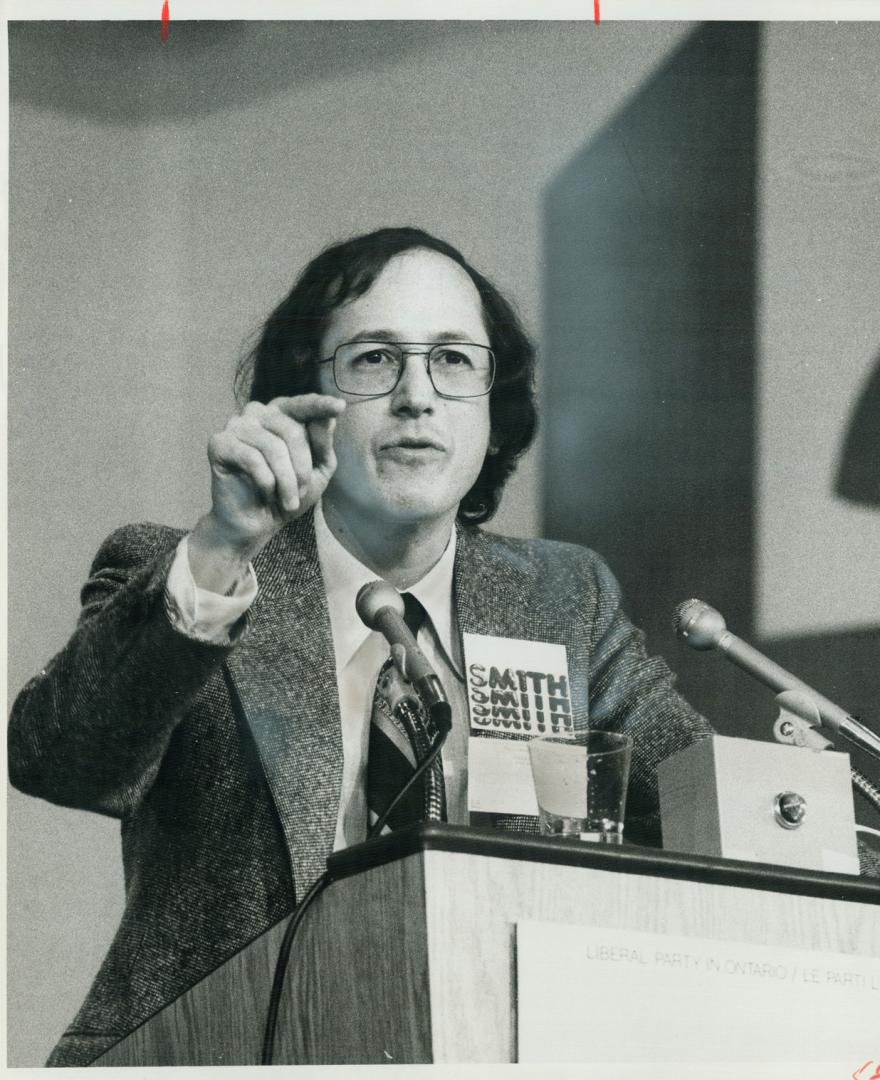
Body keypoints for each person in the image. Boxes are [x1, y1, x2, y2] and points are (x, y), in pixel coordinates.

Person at [8, 227, 715, 1066]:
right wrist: (221, 549)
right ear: (302, 406)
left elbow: (699, 796)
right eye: (375, 360)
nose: (418, 396)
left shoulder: (562, 598)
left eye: (453, 361)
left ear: (496, 412)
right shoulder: (193, 569)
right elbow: (61, 760)